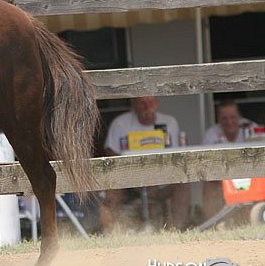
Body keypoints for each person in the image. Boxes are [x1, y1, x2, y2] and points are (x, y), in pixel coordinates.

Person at [99, 96, 190, 231]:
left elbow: (175, 159)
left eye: (151, 102)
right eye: (142, 103)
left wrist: (156, 183)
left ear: (157, 103)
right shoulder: (120, 124)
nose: (148, 107)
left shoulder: (169, 122)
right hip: (128, 183)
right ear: (133, 105)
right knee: (111, 190)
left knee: (183, 183)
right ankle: (111, 233)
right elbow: (111, 158)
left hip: (161, 183)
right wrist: (133, 182)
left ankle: (178, 230)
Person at [201, 100, 258, 218]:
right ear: (219, 119)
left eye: (233, 117)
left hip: (250, 175)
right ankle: (213, 224)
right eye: (224, 118)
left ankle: (254, 218)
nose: (229, 122)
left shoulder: (251, 129)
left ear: (239, 117)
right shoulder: (211, 134)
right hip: (222, 177)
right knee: (209, 183)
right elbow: (206, 165)